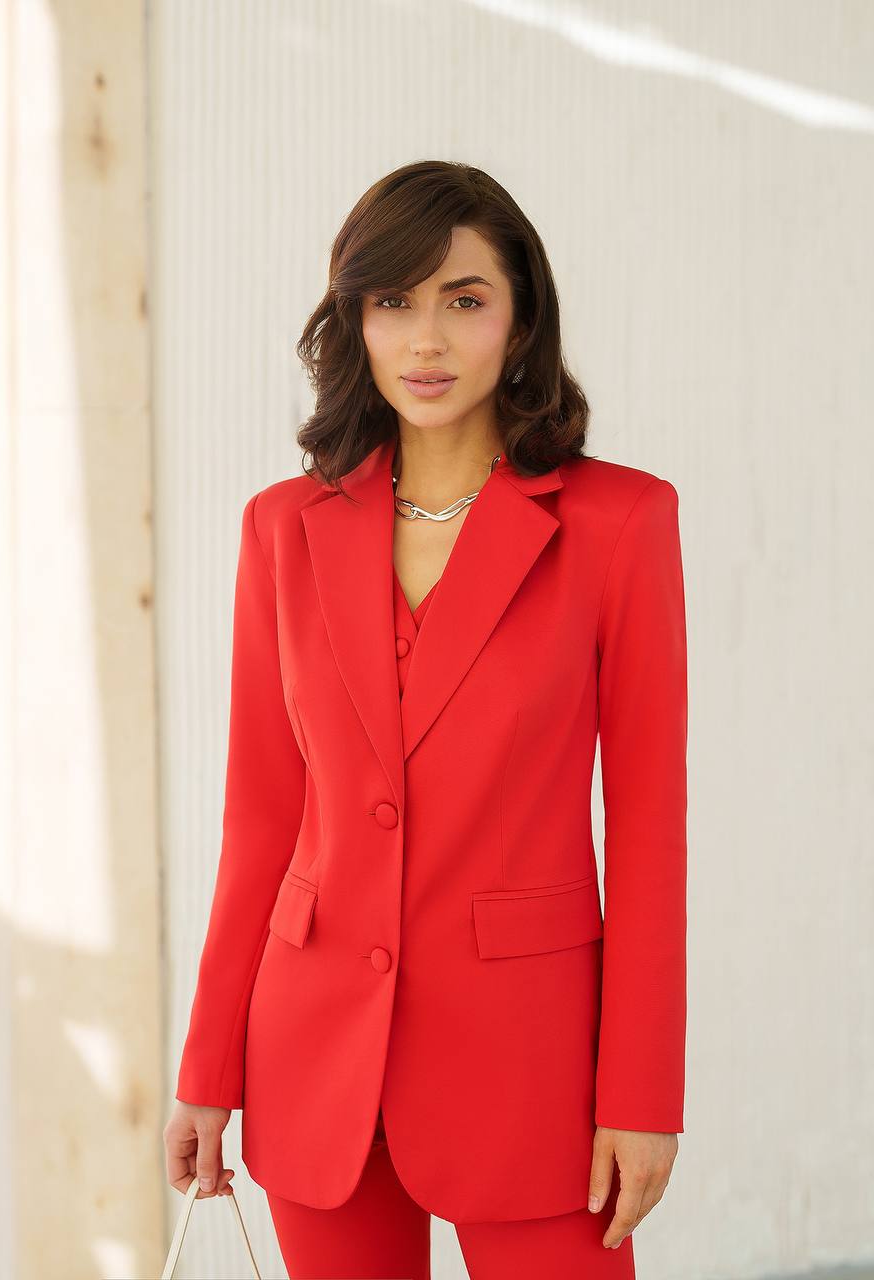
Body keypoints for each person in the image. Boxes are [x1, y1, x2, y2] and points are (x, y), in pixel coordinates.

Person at [163, 160, 688, 1279]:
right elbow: (261, 816)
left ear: (520, 315)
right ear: (354, 319)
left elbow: (647, 829)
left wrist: (642, 1092)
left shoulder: (619, 524)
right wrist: (208, 1064)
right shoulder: (282, 529)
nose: (427, 339)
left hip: (531, 1071)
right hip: (313, 1059)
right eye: (393, 301)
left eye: (463, 298)